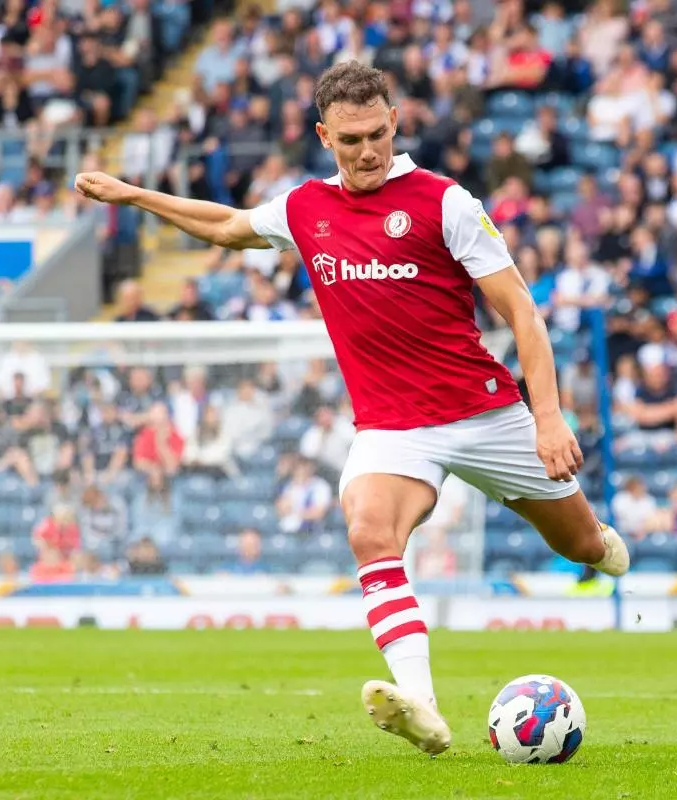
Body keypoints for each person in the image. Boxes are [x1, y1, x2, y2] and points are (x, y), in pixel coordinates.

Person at [74, 60, 629, 757]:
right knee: (369, 529)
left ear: (395, 122)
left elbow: (520, 308)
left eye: (376, 134)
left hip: (486, 415)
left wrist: (547, 417)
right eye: (349, 140)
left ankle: (596, 539)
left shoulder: (444, 202)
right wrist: (132, 195)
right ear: (323, 135)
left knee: (581, 548)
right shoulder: (306, 208)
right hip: (394, 429)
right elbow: (228, 226)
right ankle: (421, 707)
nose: (366, 151)